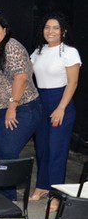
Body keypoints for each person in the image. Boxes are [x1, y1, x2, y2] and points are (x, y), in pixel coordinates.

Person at [0, 15, 42, 200]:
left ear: (5, 30)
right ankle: (6, 196)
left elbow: (21, 77)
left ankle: (8, 198)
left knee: (8, 153)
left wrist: (12, 107)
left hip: (21, 108)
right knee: (3, 155)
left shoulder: (11, 46)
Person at [30, 12, 80, 207]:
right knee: (42, 148)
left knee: (57, 150)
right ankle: (42, 186)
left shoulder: (69, 52)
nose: (50, 31)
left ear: (63, 31)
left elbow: (73, 83)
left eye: (55, 28)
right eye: (47, 27)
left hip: (61, 102)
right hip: (41, 103)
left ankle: (57, 194)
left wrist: (61, 108)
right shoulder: (38, 51)